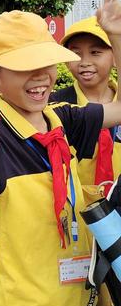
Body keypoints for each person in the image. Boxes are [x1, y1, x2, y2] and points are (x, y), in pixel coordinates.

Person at [0, 0, 121, 306]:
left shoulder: (61, 116)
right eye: (22, 67)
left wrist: (116, 37)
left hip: (81, 297)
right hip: (26, 303)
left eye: (46, 62)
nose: (40, 77)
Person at [51, 16, 120, 187]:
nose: (85, 62)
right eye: (75, 53)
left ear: (115, 58)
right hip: (75, 210)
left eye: (95, 52)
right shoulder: (56, 106)